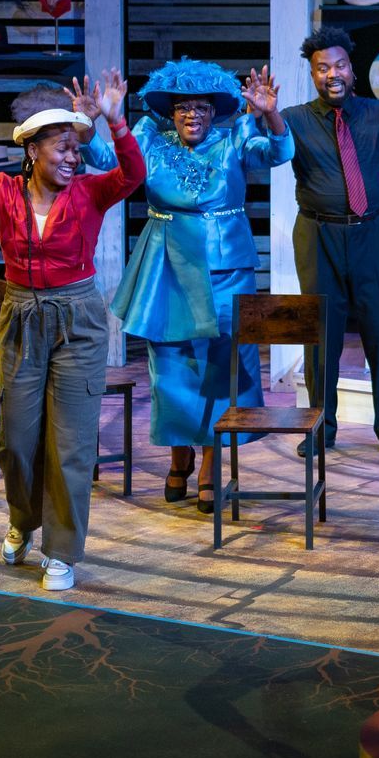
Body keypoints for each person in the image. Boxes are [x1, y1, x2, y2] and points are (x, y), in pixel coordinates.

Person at [0, 73, 144, 592]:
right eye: (62, 148)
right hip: (20, 316)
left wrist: (115, 121)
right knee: (17, 439)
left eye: (76, 150)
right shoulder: (3, 193)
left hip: (79, 318)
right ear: (32, 149)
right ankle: (23, 518)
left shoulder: (90, 192)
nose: (72, 158)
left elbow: (133, 174)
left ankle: (61, 551)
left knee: (71, 443)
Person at [109, 59, 294, 514]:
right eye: (184, 107)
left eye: (202, 108)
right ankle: (179, 457)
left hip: (227, 271)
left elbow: (278, 153)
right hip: (166, 266)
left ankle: (210, 467)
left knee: (221, 367)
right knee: (170, 367)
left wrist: (270, 113)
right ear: (170, 112)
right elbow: (100, 160)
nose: (193, 115)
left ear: (215, 112)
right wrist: (110, 119)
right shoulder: (149, 138)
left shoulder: (235, 137)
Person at [279, 24, 379, 459]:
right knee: (320, 334)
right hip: (318, 233)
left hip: (377, 231)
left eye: (339, 65)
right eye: (322, 67)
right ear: (312, 74)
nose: (333, 73)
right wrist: (267, 113)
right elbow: (268, 143)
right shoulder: (293, 119)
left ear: (352, 68)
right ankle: (321, 428)